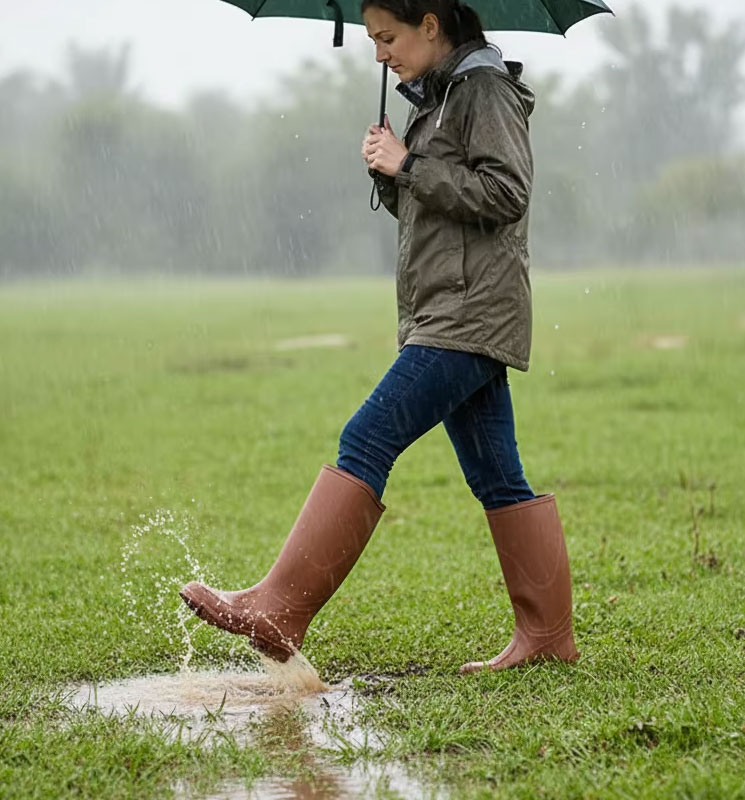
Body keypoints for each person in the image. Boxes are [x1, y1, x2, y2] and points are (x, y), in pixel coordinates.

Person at [180, 0, 579, 673]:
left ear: (431, 23)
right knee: (498, 476)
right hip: (450, 311)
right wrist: (390, 174)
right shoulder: (442, 97)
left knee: (367, 439)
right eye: (371, 39)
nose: (378, 53)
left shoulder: (483, 90)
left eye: (387, 37)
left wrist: (410, 166)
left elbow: (507, 193)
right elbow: (442, 204)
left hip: (466, 315)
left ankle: (280, 609)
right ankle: (546, 639)